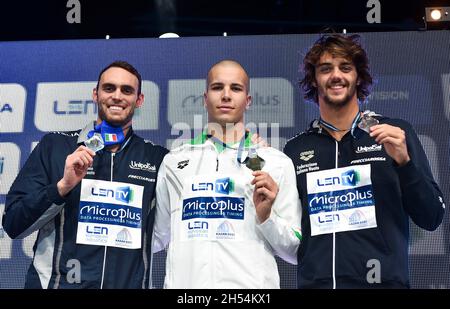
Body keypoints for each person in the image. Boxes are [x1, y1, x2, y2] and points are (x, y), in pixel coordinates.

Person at [283, 33, 446, 288]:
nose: (336, 75)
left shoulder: (395, 133)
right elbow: (288, 233)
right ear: (314, 80)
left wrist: (404, 163)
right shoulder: (295, 149)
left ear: (358, 77)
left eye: (345, 68)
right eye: (325, 69)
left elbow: (432, 216)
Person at [2, 61, 168, 288]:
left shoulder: (157, 158)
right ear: (95, 94)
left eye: (127, 90)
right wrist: (62, 187)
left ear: (139, 100)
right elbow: (13, 224)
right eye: (109, 88)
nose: (117, 96)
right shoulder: (56, 146)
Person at [152, 60, 302, 288]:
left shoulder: (275, 162)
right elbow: (154, 239)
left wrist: (267, 217)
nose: (226, 95)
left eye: (236, 88)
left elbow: (295, 250)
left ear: (248, 100)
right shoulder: (174, 162)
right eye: (217, 87)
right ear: (205, 98)